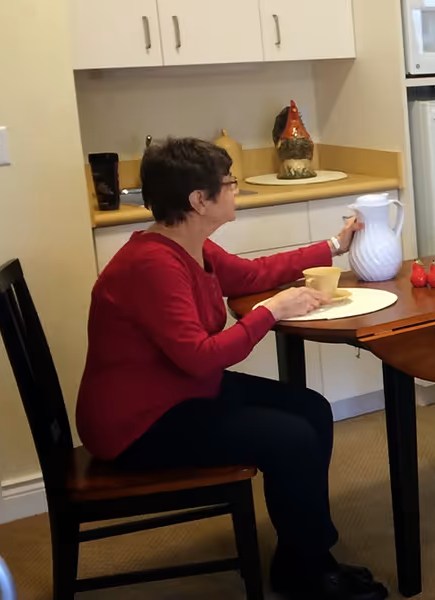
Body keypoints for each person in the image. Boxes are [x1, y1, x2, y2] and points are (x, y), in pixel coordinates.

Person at [76, 137, 388, 600]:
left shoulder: (191, 246)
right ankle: (308, 572)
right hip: (140, 424)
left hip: (182, 390)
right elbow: (203, 355)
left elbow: (252, 275)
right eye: (229, 184)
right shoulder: (152, 265)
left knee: (312, 409)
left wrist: (333, 245)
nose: (236, 190)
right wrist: (273, 310)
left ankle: (301, 558)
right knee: (292, 438)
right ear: (199, 200)